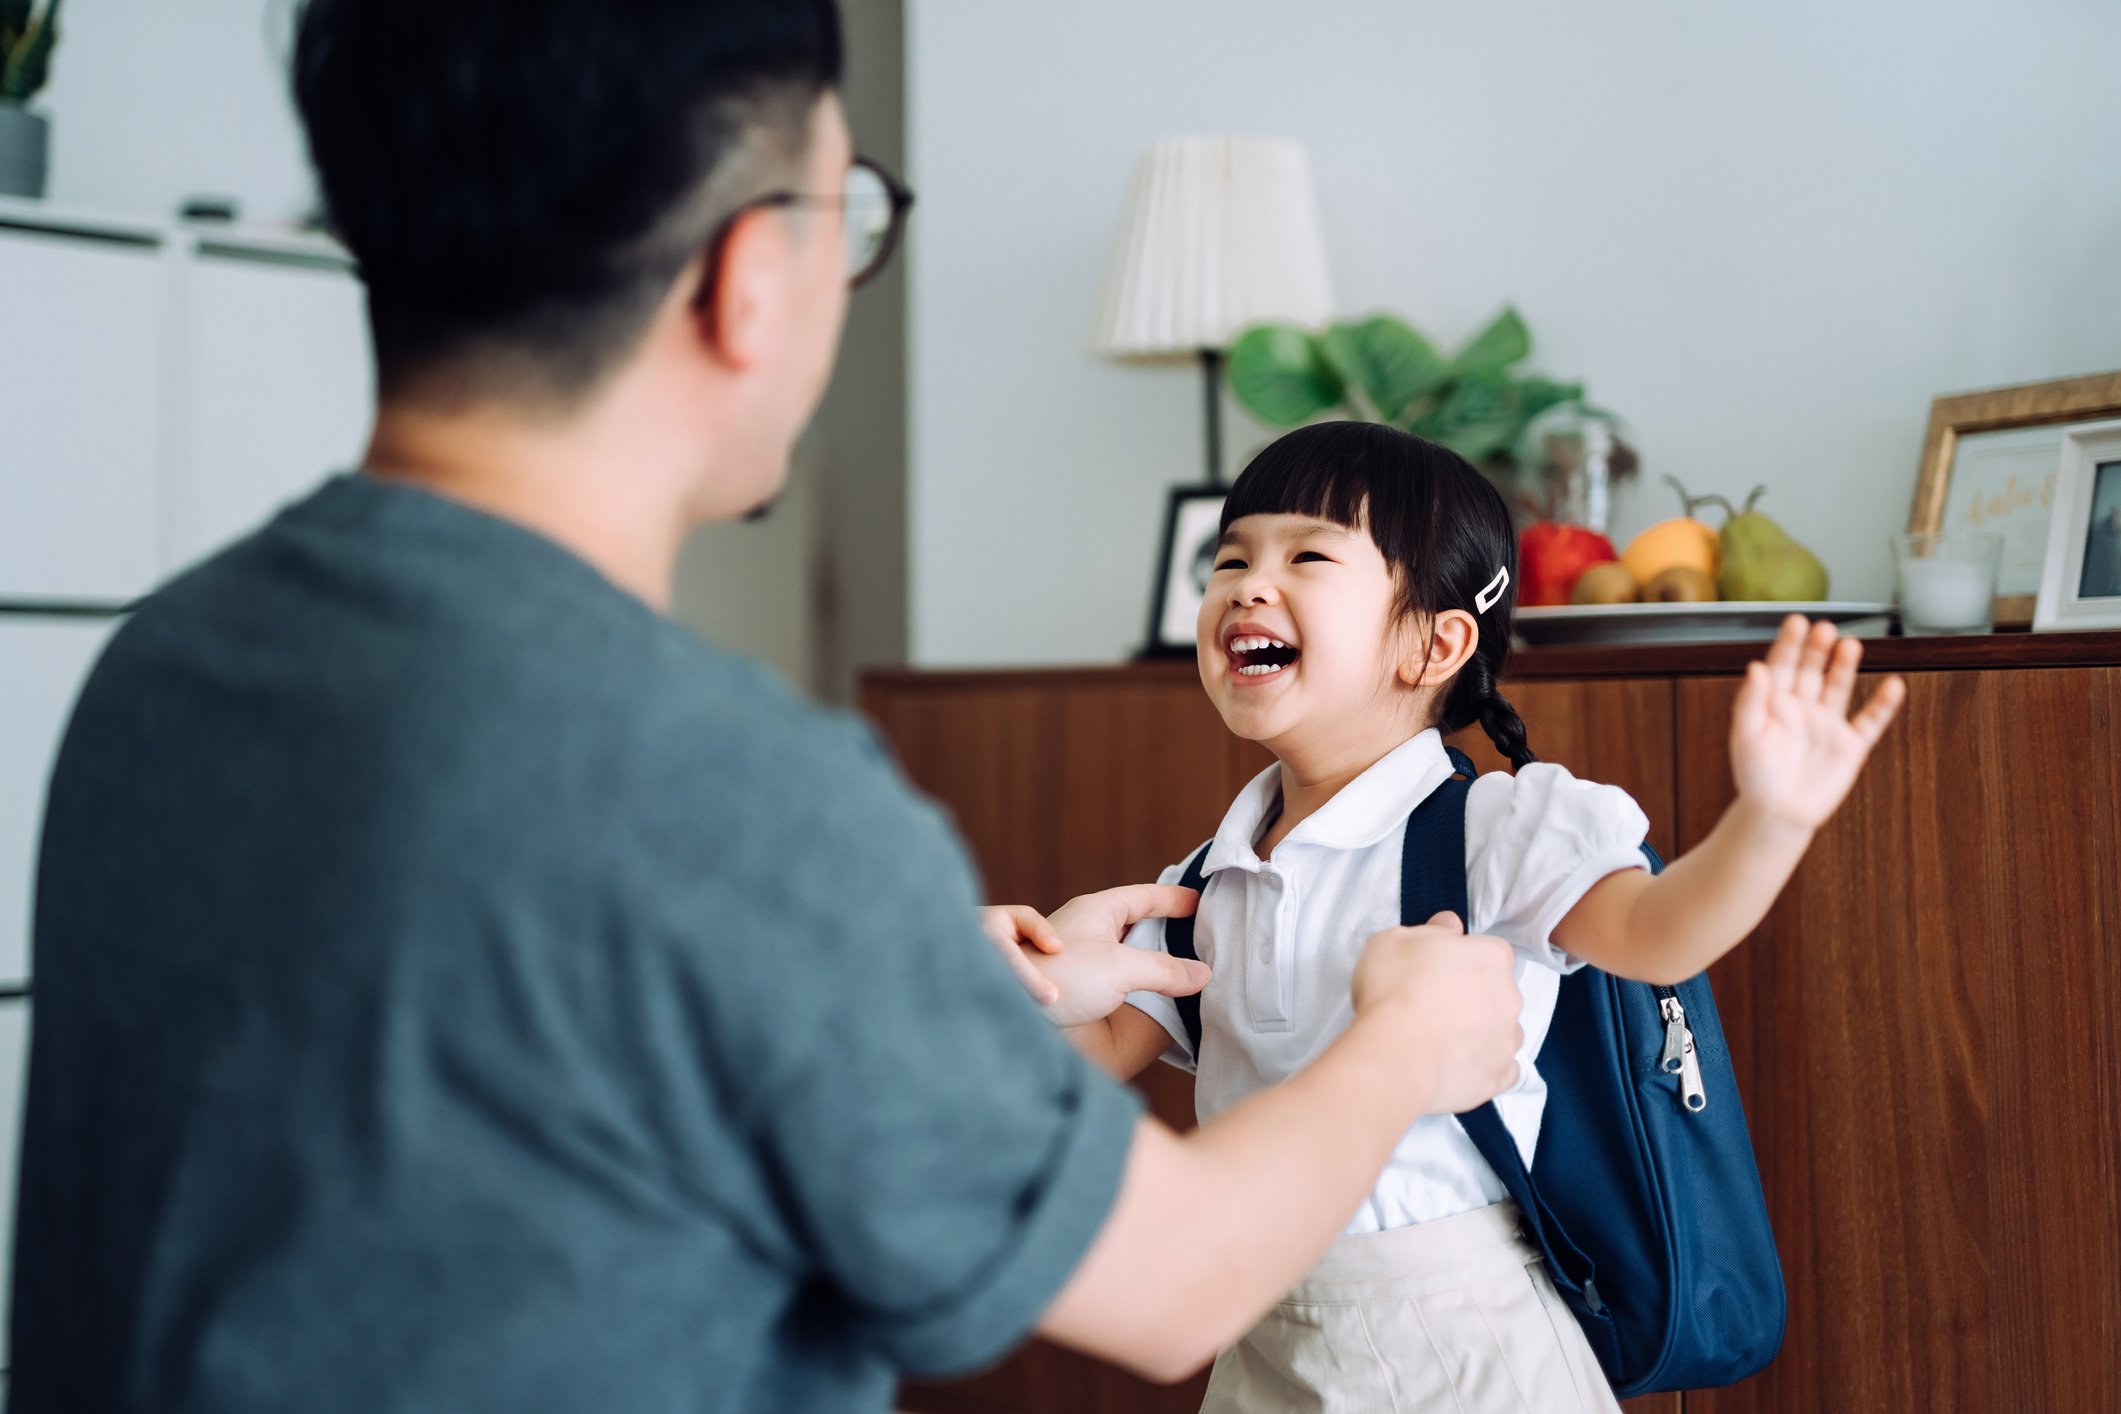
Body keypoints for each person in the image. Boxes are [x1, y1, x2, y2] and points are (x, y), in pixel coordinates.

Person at [5, 5, 1532, 1412]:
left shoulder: (166, 668)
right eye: (844, 216)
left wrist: (888, 984)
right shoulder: (731, 792)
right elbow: (1179, 1285)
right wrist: (1405, 1036)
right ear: (748, 276)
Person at [1012, 421, 1907, 1413]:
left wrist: (1772, 822)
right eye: (1231, 558)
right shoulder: (1207, 879)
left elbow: (1660, 935)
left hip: (1469, 1345)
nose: (1248, 584)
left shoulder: (1493, 828)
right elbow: (1089, 1048)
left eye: (1306, 555)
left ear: (1436, 643)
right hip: (1266, 1343)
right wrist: (1033, 972)